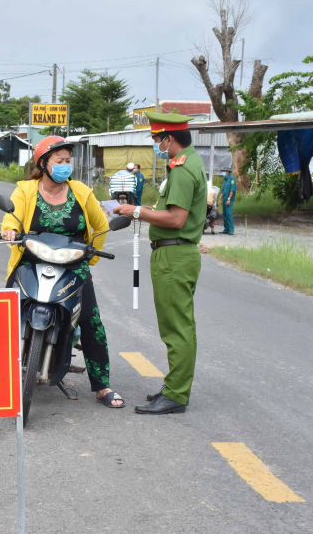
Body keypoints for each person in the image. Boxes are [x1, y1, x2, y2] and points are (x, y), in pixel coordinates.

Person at [0, 135, 125, 409]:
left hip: (72, 263)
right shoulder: (25, 190)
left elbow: (101, 226)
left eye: (68, 161)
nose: (65, 165)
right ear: (43, 163)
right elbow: (13, 216)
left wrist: (87, 259)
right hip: (32, 260)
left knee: (91, 322)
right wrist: (9, 229)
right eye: (60, 161)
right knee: (4, 313)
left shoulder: (81, 191)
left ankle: (102, 385)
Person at [114, 111, 207, 414]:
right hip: (175, 253)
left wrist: (136, 212)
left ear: (169, 138)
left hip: (174, 255)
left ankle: (177, 394)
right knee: (178, 324)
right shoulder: (188, 162)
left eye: (157, 139)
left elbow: (176, 219)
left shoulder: (182, 168)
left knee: (176, 327)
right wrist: (142, 208)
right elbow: (171, 210)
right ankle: (174, 387)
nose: (156, 145)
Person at [219, 166, 236, 235]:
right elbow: (223, 191)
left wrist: (229, 199)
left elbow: (232, 190)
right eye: (222, 171)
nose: (223, 173)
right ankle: (226, 229)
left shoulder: (232, 179)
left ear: (228, 171)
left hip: (229, 200)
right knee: (224, 214)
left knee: (229, 214)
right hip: (224, 199)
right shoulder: (225, 180)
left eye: (224, 171)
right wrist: (220, 200)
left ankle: (231, 230)